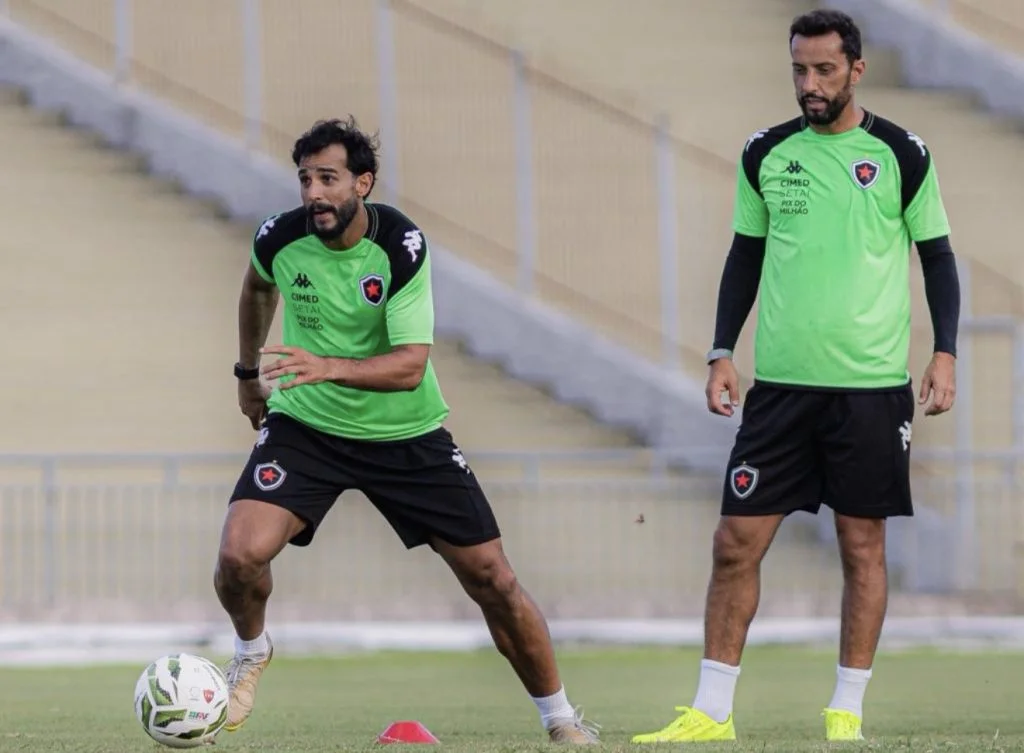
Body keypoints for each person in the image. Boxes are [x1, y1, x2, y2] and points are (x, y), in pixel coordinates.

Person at [215, 116, 599, 745]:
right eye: (306, 179)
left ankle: (560, 718)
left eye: (329, 179)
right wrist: (246, 373)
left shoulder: (400, 244)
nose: (313, 193)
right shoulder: (280, 238)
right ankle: (251, 653)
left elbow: (409, 365)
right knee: (238, 555)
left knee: (492, 579)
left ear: (362, 183)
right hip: (308, 427)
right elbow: (256, 287)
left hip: (406, 434)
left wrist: (326, 366)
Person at [632, 8, 960, 744]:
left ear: (856, 69)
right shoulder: (766, 154)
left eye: (823, 70)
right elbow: (744, 255)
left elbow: (937, 257)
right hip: (779, 392)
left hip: (872, 389)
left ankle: (846, 713)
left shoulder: (903, 153)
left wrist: (946, 351)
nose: (809, 85)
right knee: (733, 541)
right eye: (798, 71)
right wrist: (722, 348)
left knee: (861, 545)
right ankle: (710, 712)